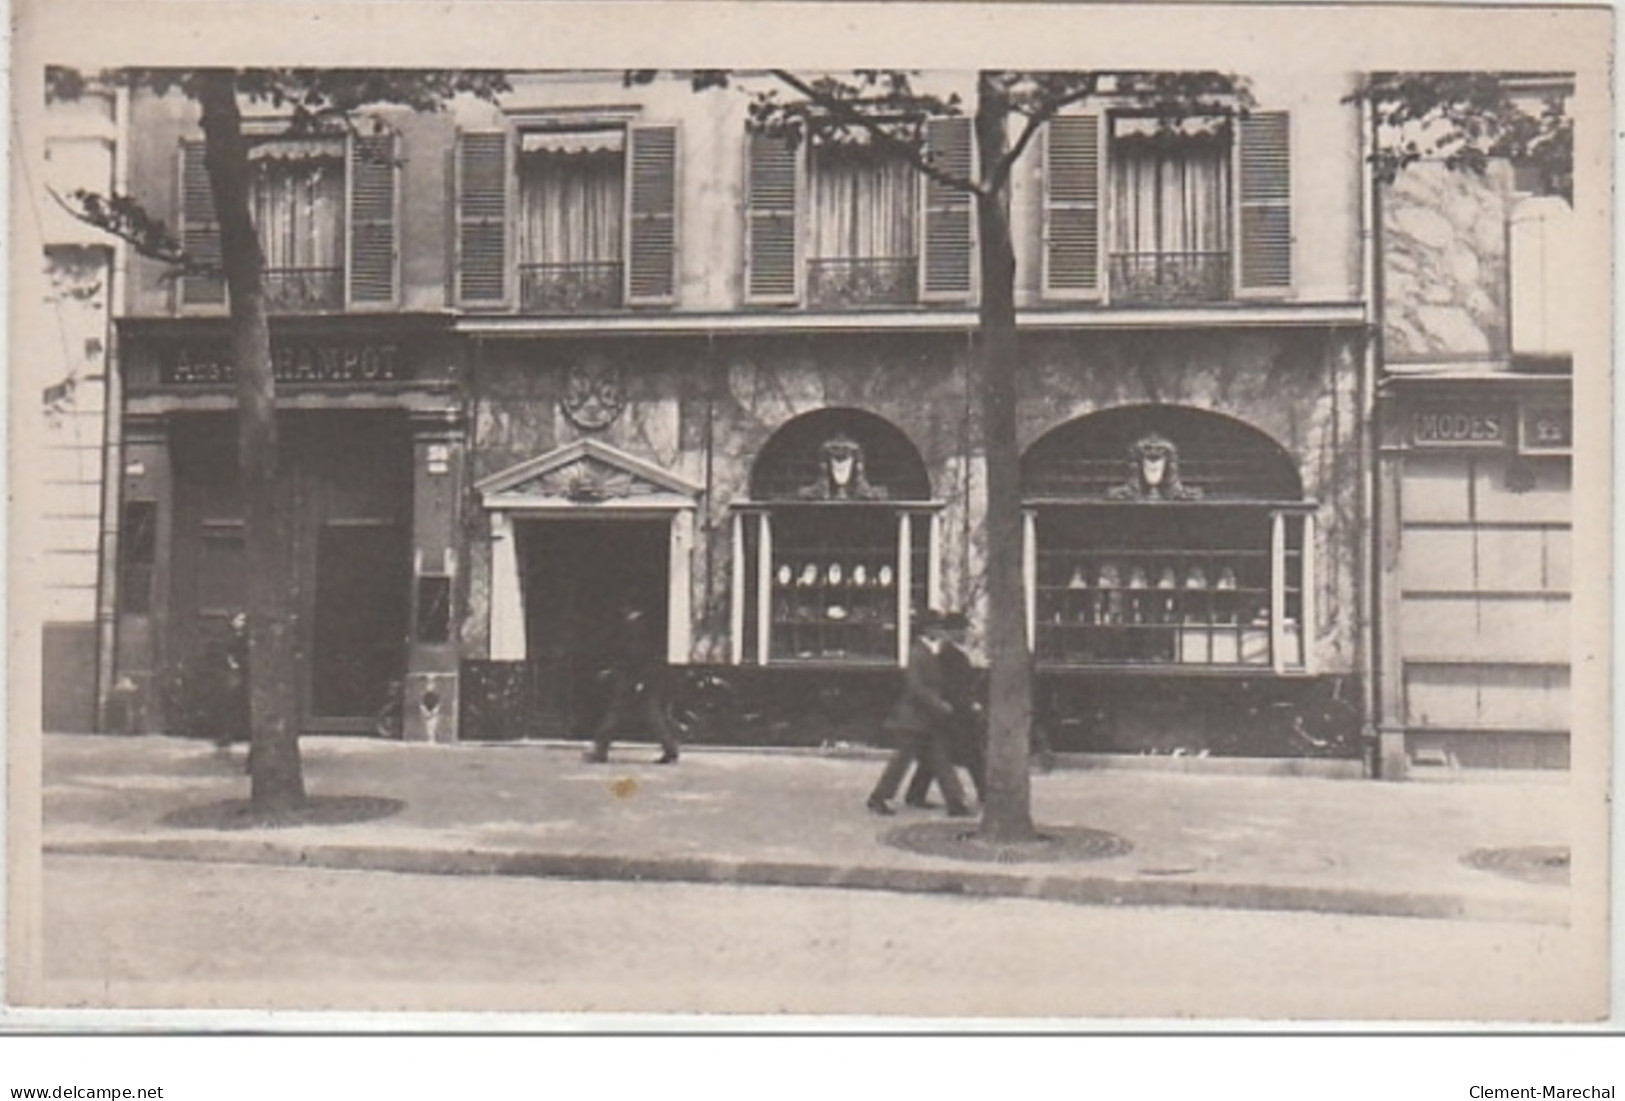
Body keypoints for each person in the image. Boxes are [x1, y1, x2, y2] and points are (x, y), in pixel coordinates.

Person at [866, 610, 972, 818]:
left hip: (925, 718)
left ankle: (955, 802)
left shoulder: (928, 651)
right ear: (928, 629)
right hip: (913, 718)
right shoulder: (918, 652)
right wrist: (939, 704)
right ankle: (878, 797)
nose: (941, 631)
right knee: (902, 761)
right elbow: (916, 687)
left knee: (940, 759)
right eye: (938, 627)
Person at [903, 611, 986, 807]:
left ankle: (916, 794)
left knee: (937, 757)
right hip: (956, 712)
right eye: (962, 629)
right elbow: (949, 686)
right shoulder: (949, 655)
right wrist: (967, 704)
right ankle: (977, 795)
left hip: (953, 710)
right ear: (953, 632)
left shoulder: (953, 653)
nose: (966, 633)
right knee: (971, 754)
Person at [584, 600, 680, 765]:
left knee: (619, 714)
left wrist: (638, 680)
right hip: (642, 678)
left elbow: (635, 657)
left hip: (634, 679)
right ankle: (670, 749)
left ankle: (600, 750)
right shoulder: (644, 627)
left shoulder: (635, 629)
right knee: (651, 715)